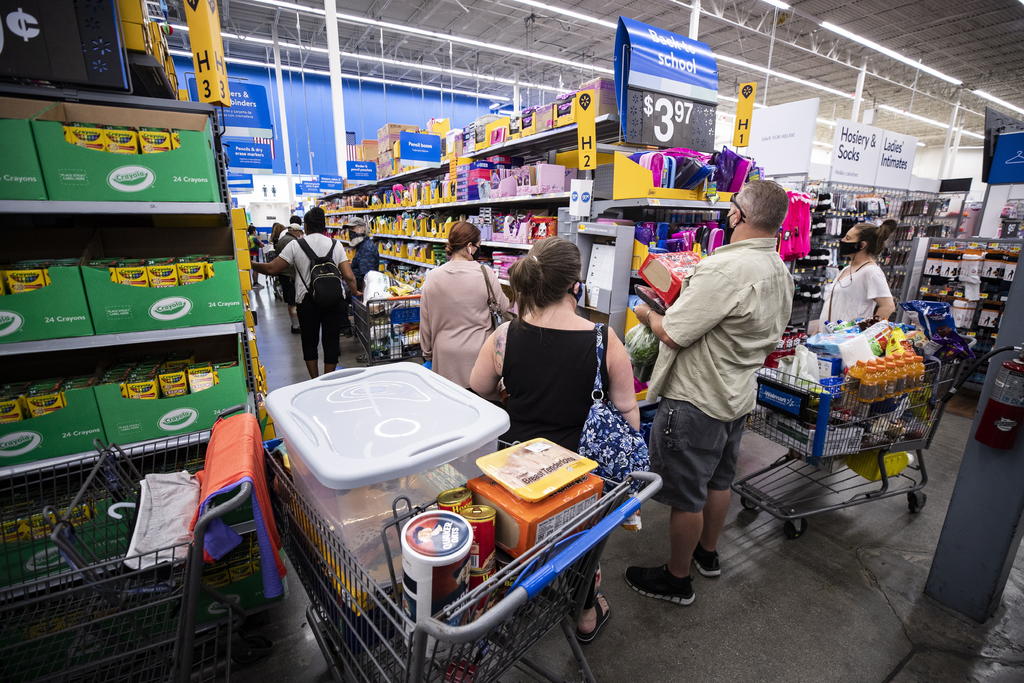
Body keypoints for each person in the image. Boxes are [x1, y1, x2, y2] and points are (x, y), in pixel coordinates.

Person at [627, 179, 794, 606]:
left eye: (732, 206)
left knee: (687, 496)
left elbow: (674, 333)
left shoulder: (725, 269)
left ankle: (677, 579)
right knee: (720, 480)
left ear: (738, 215)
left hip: (697, 398)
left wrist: (645, 313)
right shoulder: (778, 268)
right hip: (737, 393)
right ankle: (708, 553)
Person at [470, 237, 638, 643]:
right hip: (578, 471)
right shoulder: (603, 339)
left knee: (516, 539)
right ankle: (585, 614)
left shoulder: (505, 336)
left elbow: (479, 386)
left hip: (513, 466)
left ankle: (513, 600)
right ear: (574, 285)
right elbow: (627, 408)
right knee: (580, 543)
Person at [253, 207, 360, 378]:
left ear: (306, 226)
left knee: (309, 342)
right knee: (331, 341)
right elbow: (349, 276)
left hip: (307, 301)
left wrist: (250, 264)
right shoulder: (336, 244)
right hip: (333, 299)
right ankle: (328, 379)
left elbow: (272, 269)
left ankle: (315, 380)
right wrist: (355, 292)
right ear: (324, 226)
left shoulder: (296, 245)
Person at [420, 221, 510, 388]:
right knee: (479, 401)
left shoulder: (432, 277)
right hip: (479, 353)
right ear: (469, 246)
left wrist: (427, 353)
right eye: (478, 246)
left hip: (444, 356)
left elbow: (425, 321)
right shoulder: (485, 273)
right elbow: (504, 307)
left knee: (450, 400)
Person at [812, 220, 898, 333]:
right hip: (828, 338)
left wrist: (867, 333)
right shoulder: (847, 269)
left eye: (848, 238)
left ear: (862, 245)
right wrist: (819, 329)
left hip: (846, 340)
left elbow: (888, 306)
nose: (842, 240)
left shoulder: (871, 272)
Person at [270, 221, 304, 333]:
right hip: (289, 274)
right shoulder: (292, 241)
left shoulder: (283, 239)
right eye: (300, 232)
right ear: (295, 231)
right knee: (293, 302)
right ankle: (296, 326)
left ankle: (296, 324)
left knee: (291, 301)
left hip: (283, 274)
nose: (301, 235)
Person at [347, 218, 379, 292]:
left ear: (362, 229)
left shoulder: (366, 248)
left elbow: (367, 278)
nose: (350, 232)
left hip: (361, 292)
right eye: (349, 229)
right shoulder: (361, 245)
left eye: (353, 228)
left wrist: (362, 296)